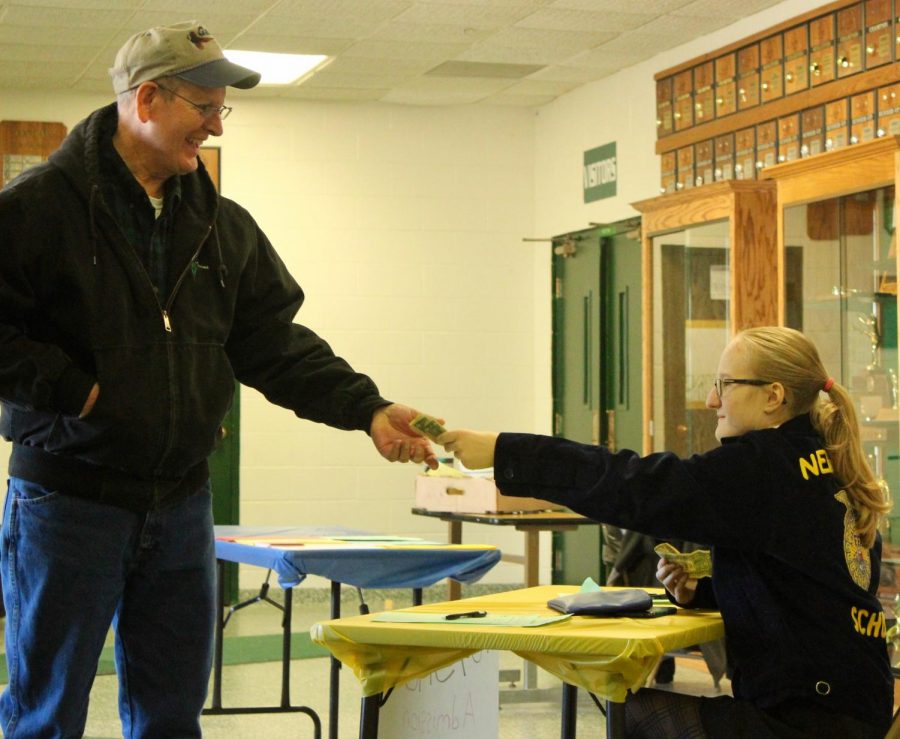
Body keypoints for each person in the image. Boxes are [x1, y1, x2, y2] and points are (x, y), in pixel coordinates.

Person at [0, 21, 440, 739]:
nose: (214, 125)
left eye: (219, 109)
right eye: (203, 106)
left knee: (173, 717)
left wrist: (368, 408)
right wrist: (73, 390)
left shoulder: (221, 226)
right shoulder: (37, 208)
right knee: (46, 715)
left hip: (178, 505)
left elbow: (272, 342)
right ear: (146, 99)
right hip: (68, 501)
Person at [440, 326, 893, 738]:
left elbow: (633, 485)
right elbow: (812, 581)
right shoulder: (827, 458)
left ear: (773, 396)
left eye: (724, 385)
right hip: (857, 702)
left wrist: (504, 450)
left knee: (628, 712)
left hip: (809, 718)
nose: (713, 401)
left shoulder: (762, 465)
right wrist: (708, 590)